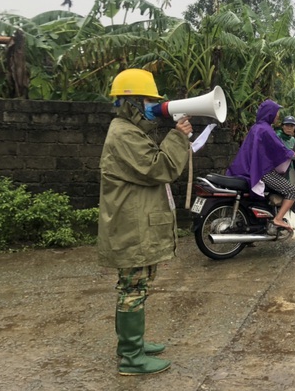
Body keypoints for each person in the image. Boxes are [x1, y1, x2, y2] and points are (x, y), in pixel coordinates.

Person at [97, 68, 193, 376]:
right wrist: (178, 136)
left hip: (133, 224)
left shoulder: (130, 131)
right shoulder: (124, 133)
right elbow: (159, 167)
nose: (153, 106)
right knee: (133, 288)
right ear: (131, 102)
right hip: (131, 227)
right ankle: (131, 357)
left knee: (133, 286)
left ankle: (131, 345)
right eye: (148, 100)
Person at [226, 100, 295, 231]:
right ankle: (278, 219)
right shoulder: (266, 130)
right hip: (262, 171)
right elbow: (282, 150)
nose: (277, 116)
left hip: (247, 169)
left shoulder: (256, 128)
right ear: (270, 113)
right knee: (292, 191)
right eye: (276, 112)